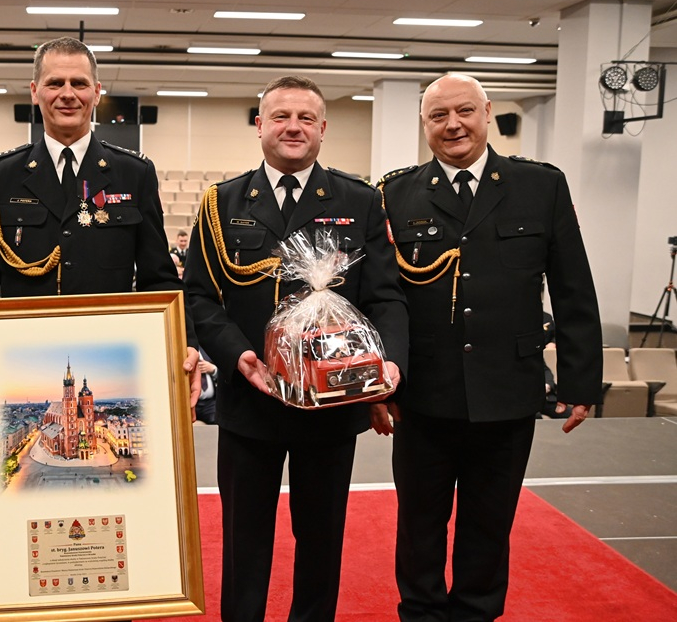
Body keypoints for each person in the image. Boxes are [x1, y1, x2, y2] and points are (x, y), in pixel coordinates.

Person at [374, 73, 603, 622]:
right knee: (419, 524)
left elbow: (573, 287)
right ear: (424, 125)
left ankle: (476, 613)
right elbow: (381, 298)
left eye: (464, 111)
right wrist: (377, 387)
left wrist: (580, 382)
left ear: (487, 113)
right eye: (438, 115)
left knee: (489, 521)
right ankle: (421, 614)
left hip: (507, 388)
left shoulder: (540, 186)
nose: (453, 125)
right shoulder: (395, 193)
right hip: (422, 393)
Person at [183, 75, 408, 622]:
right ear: (260, 124)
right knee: (244, 539)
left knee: (321, 538)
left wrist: (389, 364)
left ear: (323, 128)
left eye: (306, 118)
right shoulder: (221, 203)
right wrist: (238, 355)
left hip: (332, 403)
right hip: (249, 399)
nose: (293, 127)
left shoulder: (359, 200)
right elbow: (200, 296)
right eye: (281, 116)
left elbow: (385, 296)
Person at [0, 36, 200, 428]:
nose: (68, 94)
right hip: (22, 360)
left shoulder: (133, 173)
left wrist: (185, 341)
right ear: (35, 91)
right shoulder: (0, 176)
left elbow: (159, 278)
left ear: (97, 92)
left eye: (79, 83)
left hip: (108, 358)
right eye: (55, 83)